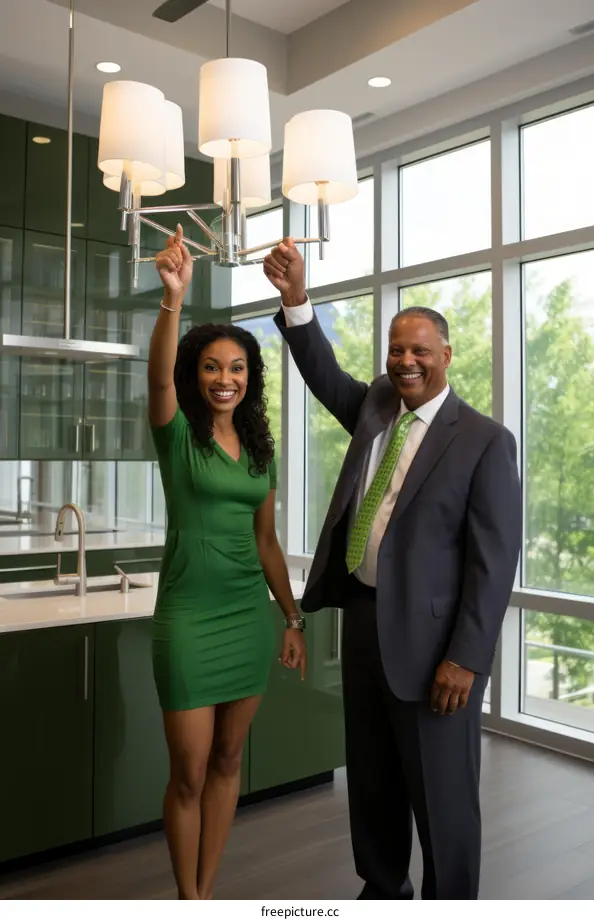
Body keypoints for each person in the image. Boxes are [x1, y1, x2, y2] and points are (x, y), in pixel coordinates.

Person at [263, 239, 522, 900]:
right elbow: (324, 375)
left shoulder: (485, 441)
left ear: (447, 356)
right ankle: (383, 888)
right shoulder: (378, 409)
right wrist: (297, 302)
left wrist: (466, 657)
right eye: (395, 350)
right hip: (365, 621)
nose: (404, 362)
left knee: (443, 797)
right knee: (372, 780)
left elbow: (493, 564)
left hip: (436, 650)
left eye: (419, 351)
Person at [148, 225, 307, 900]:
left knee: (228, 760)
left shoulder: (260, 450)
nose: (225, 378)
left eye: (237, 367)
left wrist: (291, 617)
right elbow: (157, 374)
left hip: (248, 617)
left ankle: (204, 897)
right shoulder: (176, 435)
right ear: (196, 375)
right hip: (187, 618)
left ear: (250, 378)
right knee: (187, 773)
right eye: (212, 366)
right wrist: (173, 300)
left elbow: (267, 542)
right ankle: (186, 898)